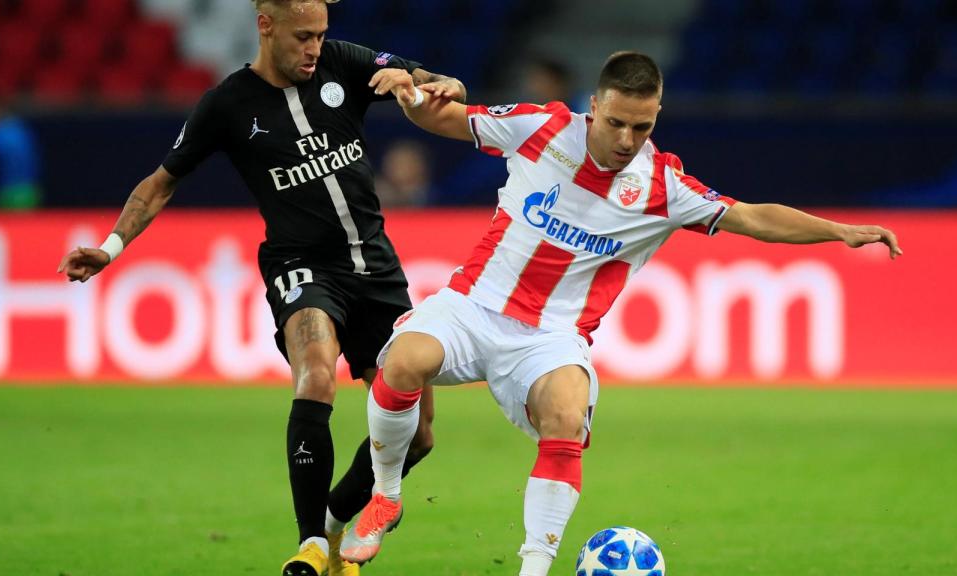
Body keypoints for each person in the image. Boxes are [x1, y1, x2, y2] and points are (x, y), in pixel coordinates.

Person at [339, 51, 902, 575]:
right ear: (595, 107)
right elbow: (449, 120)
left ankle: (534, 566)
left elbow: (753, 217)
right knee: (404, 363)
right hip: (474, 305)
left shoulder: (663, 186)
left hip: (551, 337)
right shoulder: (543, 127)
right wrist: (411, 97)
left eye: (643, 127)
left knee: (566, 414)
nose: (628, 139)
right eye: (617, 123)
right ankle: (385, 495)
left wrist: (838, 232)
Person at [56, 1, 467, 575]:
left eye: (321, 35)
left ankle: (331, 521)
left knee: (419, 435)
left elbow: (441, 85)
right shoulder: (227, 104)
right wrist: (110, 247)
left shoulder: (347, 62)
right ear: (265, 25)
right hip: (300, 265)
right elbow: (159, 186)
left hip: (376, 269)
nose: (314, 49)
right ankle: (313, 545)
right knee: (317, 373)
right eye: (303, 37)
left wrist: (435, 86)